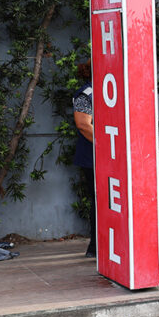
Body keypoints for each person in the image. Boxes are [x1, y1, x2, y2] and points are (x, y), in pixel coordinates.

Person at [71, 61, 96, 258]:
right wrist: (106, 144)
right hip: (93, 157)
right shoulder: (86, 93)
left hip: (106, 155)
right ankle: (95, 247)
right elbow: (83, 124)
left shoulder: (104, 91)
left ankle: (101, 246)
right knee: (99, 201)